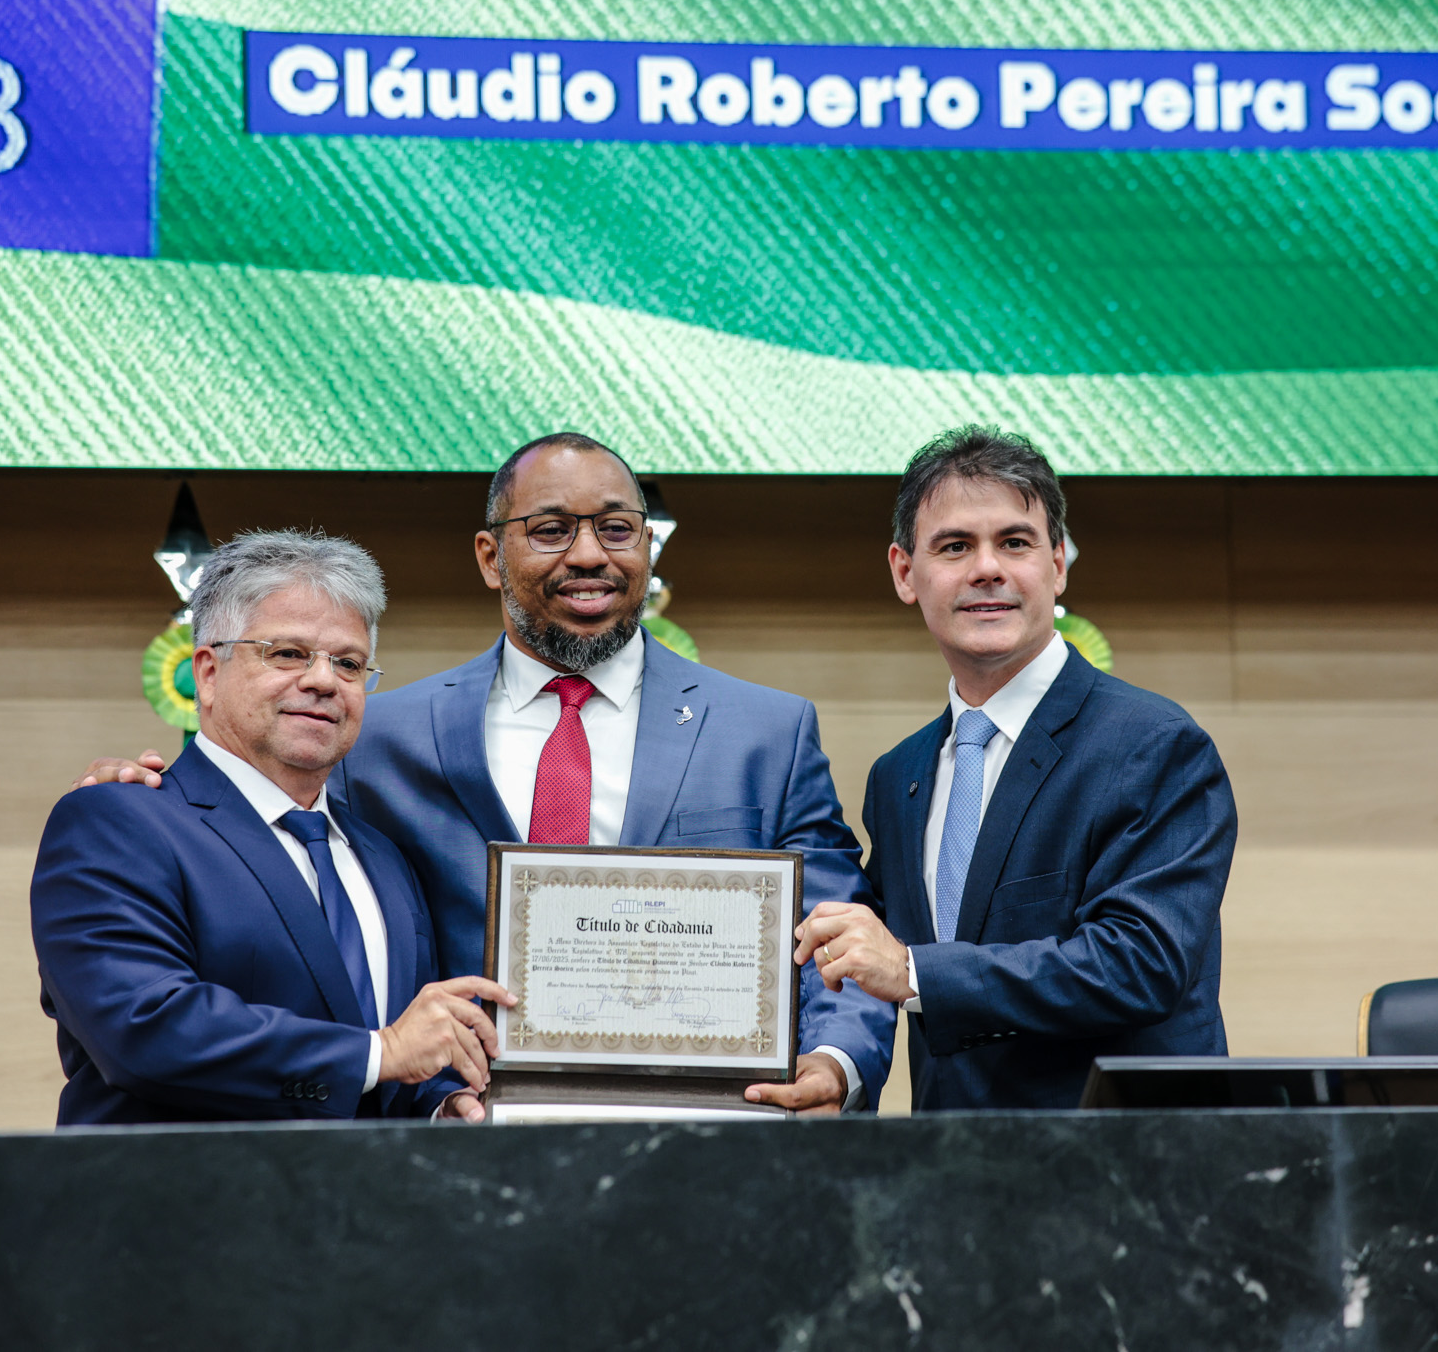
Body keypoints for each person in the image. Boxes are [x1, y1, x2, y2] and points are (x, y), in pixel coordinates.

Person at [83, 434, 895, 1113]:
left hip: (708, 1138)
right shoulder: (378, 732)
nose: (588, 554)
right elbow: (261, 824)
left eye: (617, 528)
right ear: (489, 555)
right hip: (454, 1146)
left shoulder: (767, 730)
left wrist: (836, 1061)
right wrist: (153, 793)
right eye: (549, 529)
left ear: (647, 547)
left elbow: (839, 929)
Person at [793, 426, 1237, 1110]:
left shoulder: (1155, 745)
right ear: (905, 573)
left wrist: (915, 971)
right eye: (954, 546)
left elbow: (1141, 963)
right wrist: (832, 1066)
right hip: (954, 1173)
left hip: (1124, 1179)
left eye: (1016, 542)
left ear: (1057, 565)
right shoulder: (898, 777)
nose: (987, 568)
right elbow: (863, 964)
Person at [33, 530, 514, 1125]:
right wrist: (380, 1053)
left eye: (349, 663)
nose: (323, 681)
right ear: (207, 673)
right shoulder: (114, 820)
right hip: (183, 1211)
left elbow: (393, 1064)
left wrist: (441, 1104)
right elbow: (144, 1029)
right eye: (288, 653)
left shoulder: (383, 858)